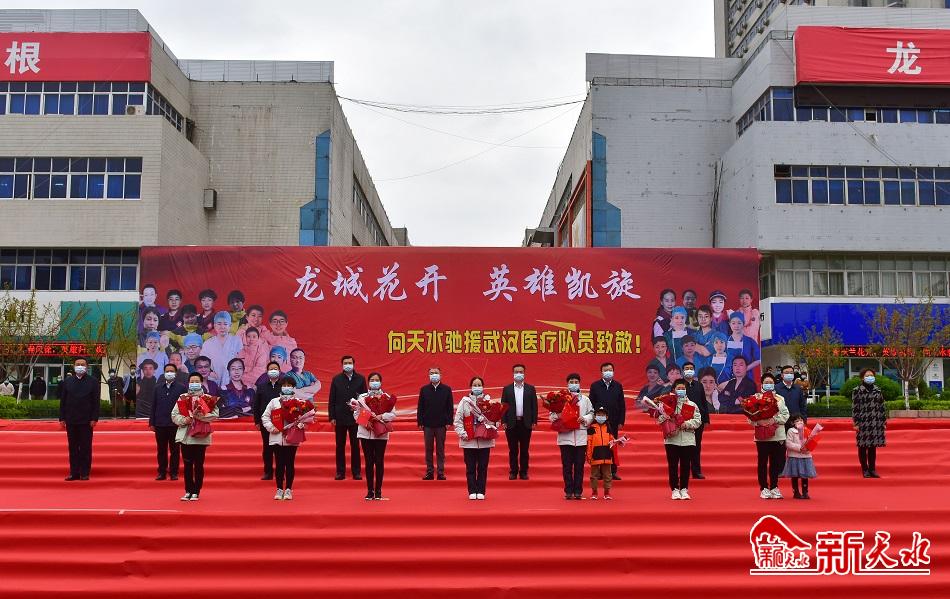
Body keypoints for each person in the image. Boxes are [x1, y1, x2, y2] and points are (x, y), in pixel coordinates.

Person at [261, 376, 316, 500]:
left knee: (290, 463)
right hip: (276, 437)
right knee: (279, 464)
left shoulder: (299, 402)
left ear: (293, 387)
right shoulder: (274, 402)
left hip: (292, 437)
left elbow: (307, 418)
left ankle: (289, 489)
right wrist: (272, 428)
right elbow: (265, 416)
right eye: (284, 385)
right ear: (281, 387)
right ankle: (279, 489)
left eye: (289, 385)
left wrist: (301, 424)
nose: (287, 387)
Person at [171, 372, 219, 501]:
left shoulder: (207, 398)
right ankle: (188, 490)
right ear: (188, 383)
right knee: (187, 465)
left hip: (200, 437)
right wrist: (184, 420)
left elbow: (215, 414)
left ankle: (196, 491)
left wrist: (200, 416)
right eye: (192, 381)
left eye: (196, 381)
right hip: (185, 436)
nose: (194, 384)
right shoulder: (183, 397)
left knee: (198, 465)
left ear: (201, 382)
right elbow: (174, 415)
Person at [351, 372, 397, 500]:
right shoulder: (362, 397)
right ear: (368, 382)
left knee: (379, 461)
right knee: (369, 461)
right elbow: (356, 414)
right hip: (365, 434)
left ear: (381, 382)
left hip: (381, 433)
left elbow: (393, 414)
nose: (374, 382)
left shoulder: (386, 397)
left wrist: (381, 416)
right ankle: (370, 491)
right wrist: (366, 422)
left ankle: (378, 491)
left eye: (377, 380)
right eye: (372, 380)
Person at [454, 377, 499, 500]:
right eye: (475, 385)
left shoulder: (489, 401)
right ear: (471, 387)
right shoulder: (464, 402)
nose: (477, 387)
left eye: (479, 385)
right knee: (470, 467)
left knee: (483, 467)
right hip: (469, 440)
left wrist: (491, 423)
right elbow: (458, 420)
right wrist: (463, 434)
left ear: (483, 387)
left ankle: (481, 491)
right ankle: (472, 490)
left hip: (485, 440)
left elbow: (496, 420)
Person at [552, 373, 594, 500]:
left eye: (576, 382)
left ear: (579, 383)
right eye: (571, 382)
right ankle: (568, 491)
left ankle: (578, 491)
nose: (574, 384)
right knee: (567, 466)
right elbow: (552, 416)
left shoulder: (585, 399)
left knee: (579, 466)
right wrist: (559, 415)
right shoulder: (560, 399)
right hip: (565, 437)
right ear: (567, 383)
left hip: (581, 438)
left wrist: (584, 418)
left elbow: (591, 413)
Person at [660, 379, 702, 500]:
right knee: (673, 466)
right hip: (672, 439)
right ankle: (674, 489)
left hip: (688, 440)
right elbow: (659, 419)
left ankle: (684, 489)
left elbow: (698, 420)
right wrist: (667, 417)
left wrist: (686, 424)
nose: (681, 390)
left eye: (683, 388)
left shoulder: (692, 405)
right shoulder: (667, 403)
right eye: (679, 388)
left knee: (685, 466)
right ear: (673, 390)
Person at [59, 357, 99, 481]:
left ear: (87, 367)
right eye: (78, 364)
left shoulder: (93, 381)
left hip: (86, 420)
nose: (80, 366)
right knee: (73, 447)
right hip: (71, 419)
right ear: (73, 366)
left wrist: (94, 418)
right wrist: (62, 417)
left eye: (82, 364)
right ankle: (74, 472)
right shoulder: (67, 381)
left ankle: (85, 472)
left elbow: (96, 401)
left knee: (85, 447)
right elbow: (63, 400)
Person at [751, 373, 790, 499]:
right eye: (766, 382)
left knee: (775, 463)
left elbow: (786, 415)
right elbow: (750, 417)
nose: (769, 384)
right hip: (762, 436)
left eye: (771, 382)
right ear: (762, 384)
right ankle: (763, 488)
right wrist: (759, 422)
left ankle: (774, 487)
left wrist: (774, 420)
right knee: (762, 462)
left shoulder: (780, 398)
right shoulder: (756, 398)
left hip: (778, 435)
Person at [328, 355, 366, 480]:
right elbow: (332, 399)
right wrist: (332, 417)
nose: (347, 365)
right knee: (340, 446)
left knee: (355, 446)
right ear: (342, 365)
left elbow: (364, 399)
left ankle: (356, 472)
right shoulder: (336, 379)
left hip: (355, 418)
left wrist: (363, 417)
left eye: (349, 363)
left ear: (353, 364)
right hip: (340, 417)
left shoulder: (360, 379)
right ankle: (340, 472)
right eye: (345, 363)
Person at [500, 363, 538, 480]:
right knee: (513, 449)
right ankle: (513, 471)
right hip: (511, 423)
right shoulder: (507, 389)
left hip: (525, 423)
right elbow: (503, 406)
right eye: (516, 372)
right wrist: (503, 421)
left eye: (521, 372)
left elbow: (534, 406)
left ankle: (524, 472)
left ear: (524, 373)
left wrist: (534, 421)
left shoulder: (530, 389)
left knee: (524, 449)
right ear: (513, 373)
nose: (518, 374)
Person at [588, 362, 625, 479]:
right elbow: (591, 404)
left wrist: (621, 421)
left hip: (613, 421)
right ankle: (599, 472)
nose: (608, 372)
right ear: (601, 372)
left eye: (610, 370)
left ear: (613, 371)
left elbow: (622, 405)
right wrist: (592, 420)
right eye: (605, 370)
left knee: (612, 445)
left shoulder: (618, 386)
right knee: (599, 445)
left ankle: (612, 471)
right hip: (598, 421)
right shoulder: (595, 386)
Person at [150, 363, 186, 481]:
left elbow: (184, 406)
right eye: (167, 371)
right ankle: (162, 472)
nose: (169, 373)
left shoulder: (181, 388)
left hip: (175, 424)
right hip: (160, 424)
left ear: (175, 373)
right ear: (164, 373)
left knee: (175, 450)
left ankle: (174, 472)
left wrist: (183, 421)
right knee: (161, 449)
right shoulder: (157, 388)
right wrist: (152, 422)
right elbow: (153, 405)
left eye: (171, 371)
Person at [417, 367, 453, 480]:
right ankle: (430, 472)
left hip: (441, 424)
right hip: (427, 424)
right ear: (429, 375)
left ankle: (440, 472)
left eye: (436, 373)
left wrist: (449, 421)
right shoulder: (424, 389)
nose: (434, 375)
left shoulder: (447, 389)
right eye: (431, 373)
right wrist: (420, 421)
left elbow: (450, 407)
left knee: (440, 449)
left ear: (440, 375)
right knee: (428, 449)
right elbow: (420, 406)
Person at [852, 368, 887, 478]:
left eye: (871, 375)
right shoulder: (857, 390)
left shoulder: (878, 390)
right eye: (867, 375)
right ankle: (865, 469)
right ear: (862, 378)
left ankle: (872, 469)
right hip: (863, 422)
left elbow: (882, 407)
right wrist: (856, 423)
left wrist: (883, 421)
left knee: (872, 447)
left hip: (875, 422)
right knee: (862, 446)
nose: (870, 377)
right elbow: (855, 408)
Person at [253, 362, 282, 480]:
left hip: (281, 422)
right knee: (267, 447)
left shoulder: (284, 386)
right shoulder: (261, 387)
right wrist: (257, 421)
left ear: (279, 371)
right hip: (265, 422)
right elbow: (256, 405)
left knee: (280, 448)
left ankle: (280, 472)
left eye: (275, 368)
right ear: (267, 371)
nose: (273, 371)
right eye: (271, 369)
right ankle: (268, 472)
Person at [200, 311, 243, 387]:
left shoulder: (237, 341)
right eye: (219, 324)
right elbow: (202, 362)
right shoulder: (208, 343)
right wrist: (210, 372)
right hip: (213, 380)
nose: (222, 327)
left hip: (232, 380)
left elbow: (241, 360)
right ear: (214, 325)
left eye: (225, 324)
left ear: (230, 326)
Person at [682, 361, 709, 479]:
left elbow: (704, 402)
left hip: (698, 420)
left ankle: (696, 471)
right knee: (684, 446)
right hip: (684, 420)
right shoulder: (679, 385)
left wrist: (706, 419)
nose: (689, 370)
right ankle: (684, 470)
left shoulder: (699, 385)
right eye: (686, 368)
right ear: (683, 371)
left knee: (697, 445)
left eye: (691, 368)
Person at [781, 413, 817, 499]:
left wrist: (808, 447)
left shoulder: (806, 430)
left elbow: (811, 441)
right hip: (795, 456)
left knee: (805, 475)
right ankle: (796, 491)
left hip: (805, 456)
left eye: (801, 420)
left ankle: (805, 492)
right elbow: (788, 443)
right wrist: (799, 448)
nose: (800, 422)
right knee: (795, 475)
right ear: (792, 423)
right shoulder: (791, 431)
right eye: (797, 421)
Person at [587, 407, 615, 500]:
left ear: (606, 417)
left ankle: (607, 493)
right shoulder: (591, 428)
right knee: (594, 475)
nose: (601, 416)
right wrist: (589, 455)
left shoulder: (608, 427)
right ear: (595, 416)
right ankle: (594, 492)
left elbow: (612, 439)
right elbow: (589, 442)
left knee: (607, 475)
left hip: (607, 454)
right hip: (595, 455)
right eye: (599, 415)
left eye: (603, 415)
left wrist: (616, 442)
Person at [725, 312, 761, 378]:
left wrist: (745, 369)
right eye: (733, 323)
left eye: (739, 323)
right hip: (727, 377)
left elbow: (758, 359)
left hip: (746, 376)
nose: (736, 326)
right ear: (729, 324)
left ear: (743, 324)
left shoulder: (750, 341)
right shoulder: (724, 341)